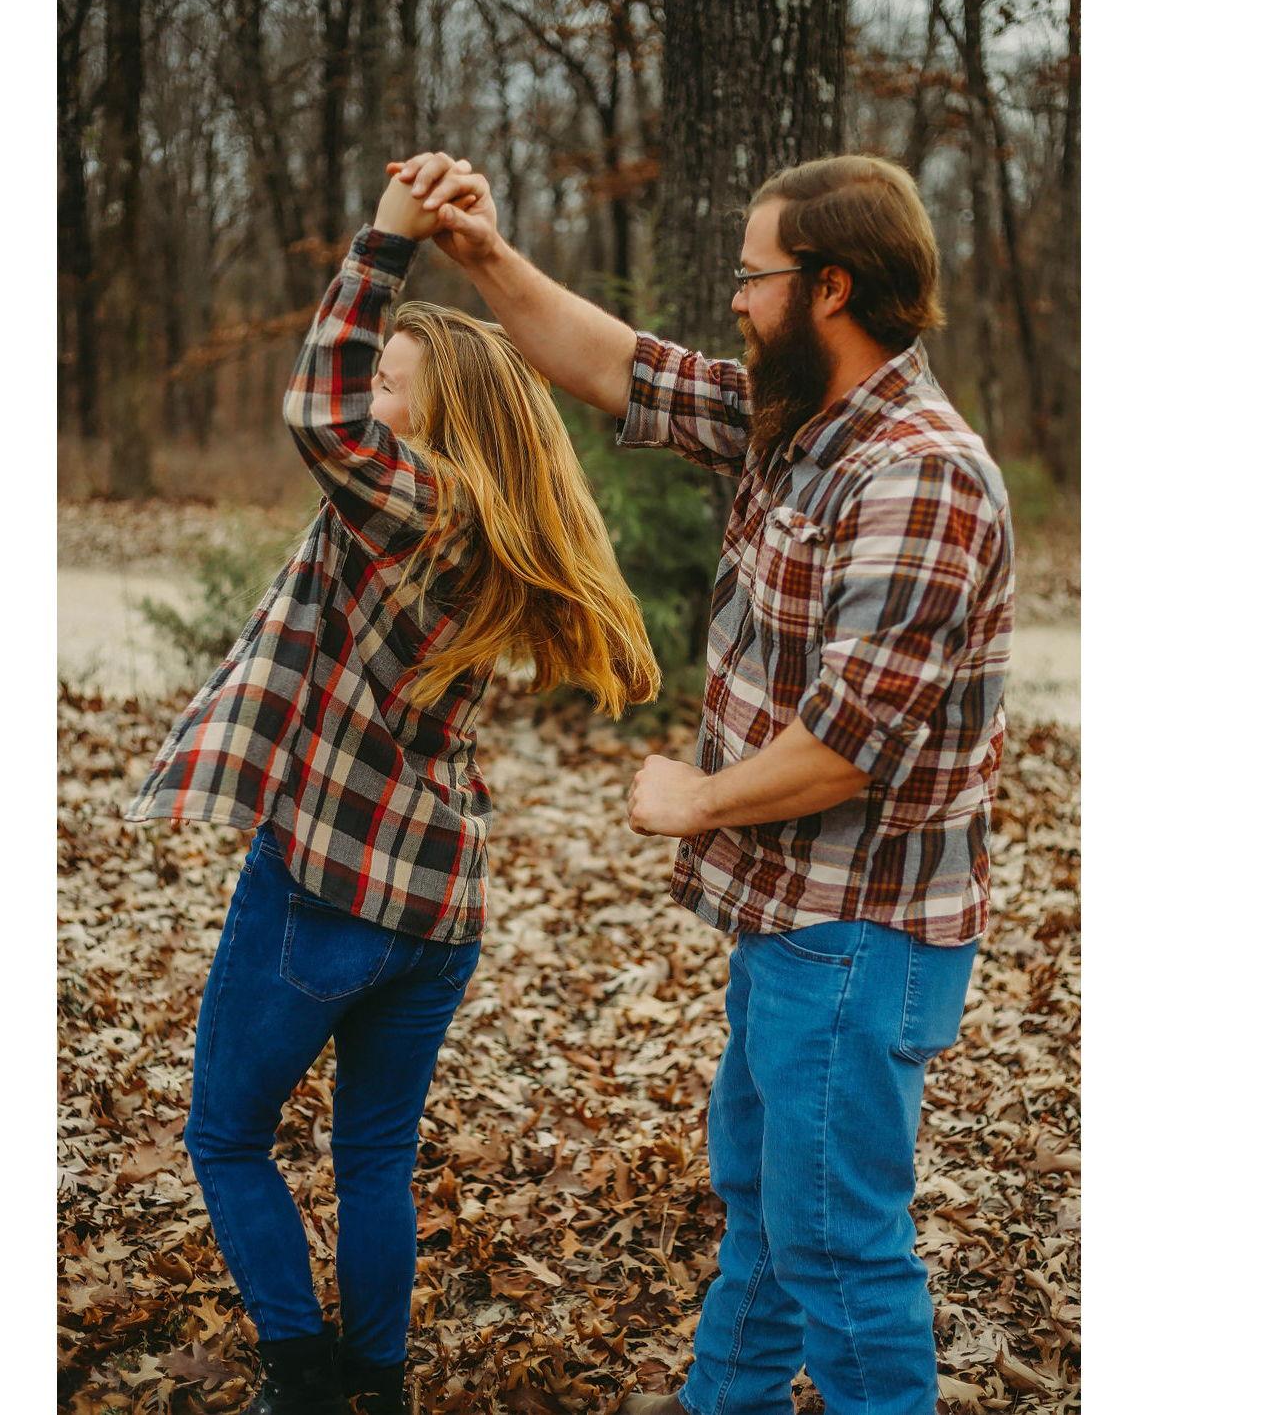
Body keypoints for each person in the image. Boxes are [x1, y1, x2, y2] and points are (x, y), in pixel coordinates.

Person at [388, 150, 1014, 1415]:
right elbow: (619, 366)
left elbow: (850, 743)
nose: (734, 297)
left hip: (859, 931)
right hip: (794, 920)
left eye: (753, 274)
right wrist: (482, 255)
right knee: (769, 1213)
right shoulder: (795, 422)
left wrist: (700, 799)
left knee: (837, 1242)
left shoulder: (918, 474)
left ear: (831, 287)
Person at [122, 166, 659, 1415]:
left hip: (330, 889)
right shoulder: (494, 533)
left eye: (389, 384)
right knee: (372, 1154)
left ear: (436, 415)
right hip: (439, 908)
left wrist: (384, 245)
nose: (368, 399)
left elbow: (316, 417)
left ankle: (303, 1378)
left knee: (224, 1136)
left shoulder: (419, 509)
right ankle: (378, 1383)